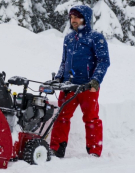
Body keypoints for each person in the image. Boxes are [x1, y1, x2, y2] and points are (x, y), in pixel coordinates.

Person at [50, 5, 110, 158]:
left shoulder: (96, 38)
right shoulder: (69, 38)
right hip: (69, 86)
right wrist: (58, 77)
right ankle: (57, 149)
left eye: (76, 16)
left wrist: (95, 81)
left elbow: (104, 61)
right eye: (71, 17)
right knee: (61, 117)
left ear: (86, 18)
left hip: (87, 87)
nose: (73, 20)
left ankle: (94, 151)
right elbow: (64, 62)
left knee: (91, 119)